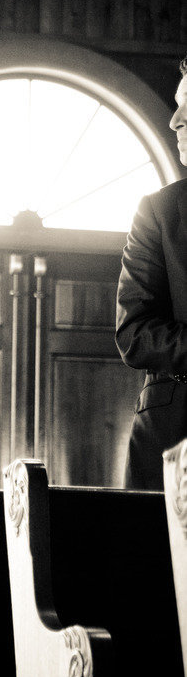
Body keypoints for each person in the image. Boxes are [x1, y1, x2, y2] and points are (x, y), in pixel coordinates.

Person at [116, 57, 187, 490]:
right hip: (175, 430)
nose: (174, 121)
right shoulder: (160, 212)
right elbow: (134, 333)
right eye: (179, 107)